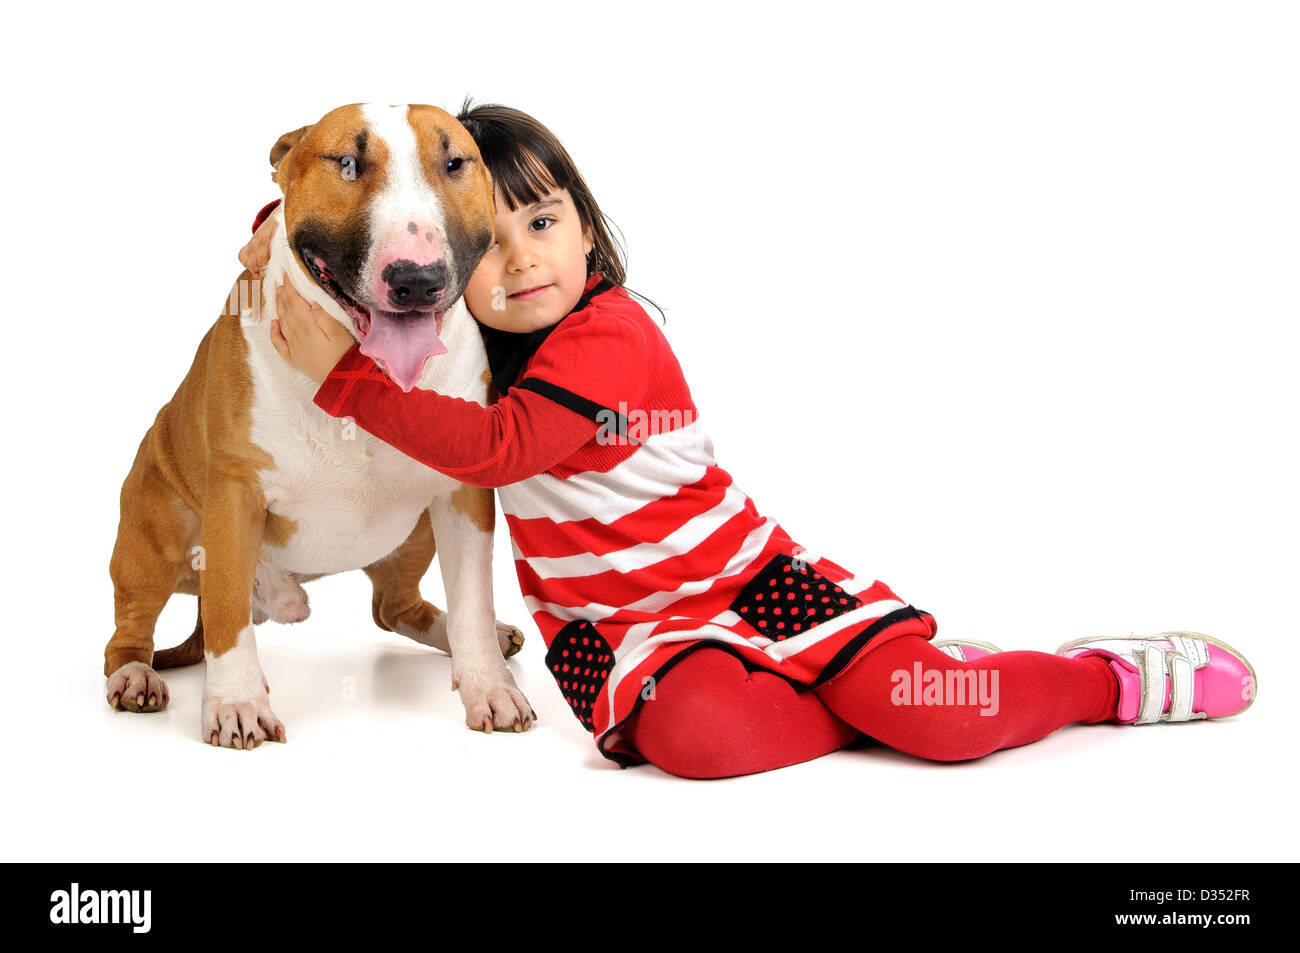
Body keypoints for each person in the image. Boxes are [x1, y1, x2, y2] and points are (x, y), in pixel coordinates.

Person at [241, 101, 1256, 778]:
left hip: (736, 579)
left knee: (943, 720)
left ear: (586, 230)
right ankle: (878, 689)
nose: (516, 262)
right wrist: (269, 225)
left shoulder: (611, 335)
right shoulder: (458, 339)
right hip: (618, 629)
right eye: (481, 240)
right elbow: (355, 207)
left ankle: (1101, 678)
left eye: (542, 223)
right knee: (695, 742)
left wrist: (341, 381)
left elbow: (501, 450)